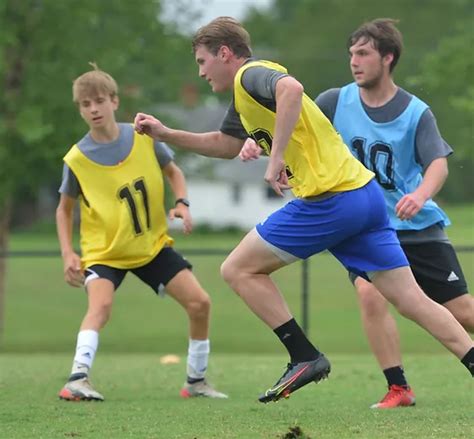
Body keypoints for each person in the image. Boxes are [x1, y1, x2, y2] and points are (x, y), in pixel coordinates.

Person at [134, 17, 474, 404]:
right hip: (364, 196)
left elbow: (292, 89)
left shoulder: (251, 75)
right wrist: (166, 134)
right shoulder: (243, 98)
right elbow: (226, 144)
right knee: (413, 301)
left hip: (330, 198)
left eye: (201, 61)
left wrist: (275, 157)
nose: (200, 71)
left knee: (238, 269)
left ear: (224, 53)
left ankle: (304, 355)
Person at [241, 18, 474, 409]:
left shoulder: (416, 112)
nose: (354, 61)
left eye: (363, 53)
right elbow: (299, 129)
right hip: (360, 223)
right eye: (351, 53)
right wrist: (257, 144)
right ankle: (398, 388)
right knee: (370, 294)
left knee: (462, 310)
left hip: (415, 225)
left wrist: (419, 194)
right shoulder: (334, 100)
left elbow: (438, 164)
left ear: (388, 57)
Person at [56, 64, 227, 401]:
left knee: (200, 303)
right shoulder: (76, 159)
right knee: (100, 307)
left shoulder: (142, 138)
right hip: (105, 253)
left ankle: (196, 382)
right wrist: (67, 252)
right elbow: (64, 209)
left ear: (115, 101)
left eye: (99, 101)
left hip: (151, 247)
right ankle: (77, 378)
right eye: (85, 104)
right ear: (80, 109)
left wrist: (182, 203)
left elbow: (173, 172)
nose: (93, 109)